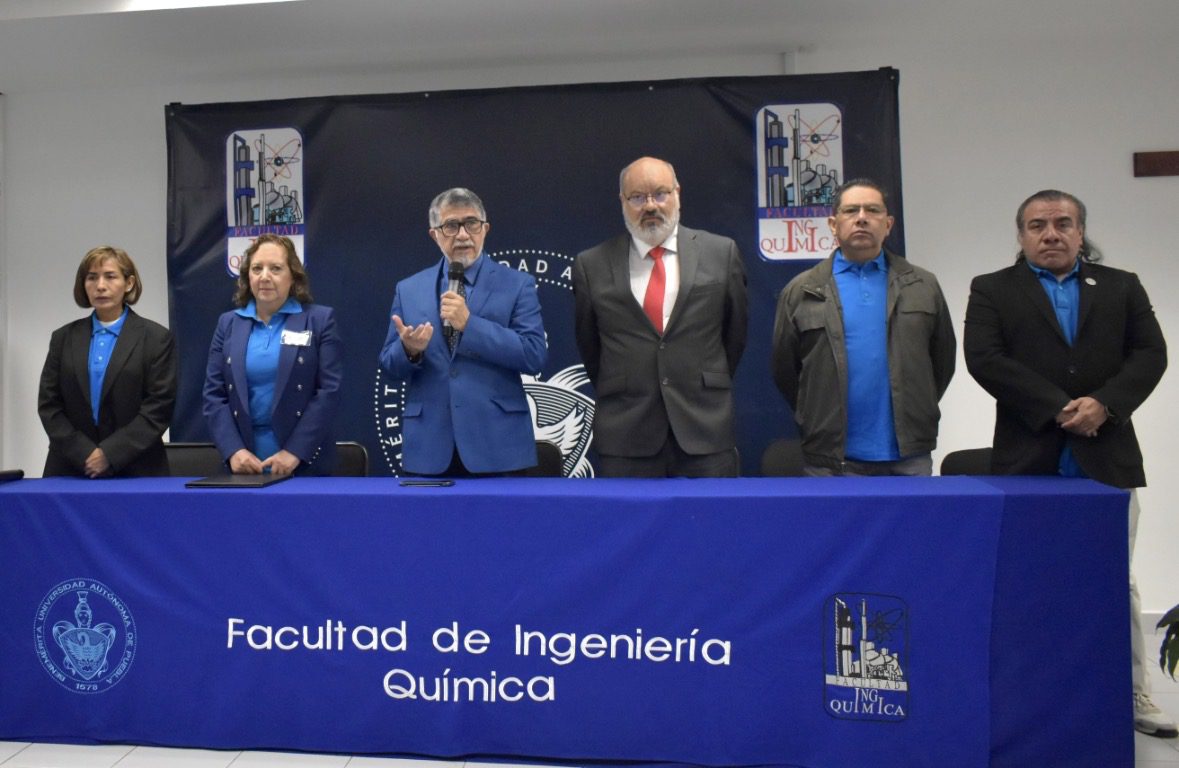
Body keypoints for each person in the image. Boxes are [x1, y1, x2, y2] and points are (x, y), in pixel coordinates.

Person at [964, 189, 1172, 738]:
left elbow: (1151, 354)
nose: (1050, 234)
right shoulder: (992, 289)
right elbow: (985, 359)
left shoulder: (1122, 286)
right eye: (1037, 225)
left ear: (1081, 233)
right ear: (1021, 235)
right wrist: (1058, 408)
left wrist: (1105, 404)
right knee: (1029, 578)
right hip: (1029, 457)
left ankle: (1133, 693)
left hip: (1107, 455)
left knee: (1116, 579)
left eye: (1063, 223)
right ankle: (1034, 694)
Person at [573, 156, 747, 477]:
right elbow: (591, 348)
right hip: (626, 435)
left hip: (705, 429)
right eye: (638, 197)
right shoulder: (591, 265)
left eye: (660, 194)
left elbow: (733, 336)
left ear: (677, 193)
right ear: (622, 201)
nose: (650, 206)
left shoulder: (721, 253)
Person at [771, 178, 955, 476]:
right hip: (830, 458)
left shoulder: (923, 285)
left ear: (888, 224)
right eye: (850, 211)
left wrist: (917, 406)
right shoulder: (803, 290)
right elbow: (785, 370)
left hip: (909, 457)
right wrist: (814, 413)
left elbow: (942, 362)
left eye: (872, 210)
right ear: (833, 224)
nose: (861, 218)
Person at [378, 187, 547, 476]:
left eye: (471, 223)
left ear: (485, 229)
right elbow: (389, 366)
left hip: (497, 446)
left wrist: (470, 325)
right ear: (434, 234)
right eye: (451, 226)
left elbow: (534, 355)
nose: (463, 235)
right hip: (429, 448)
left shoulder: (518, 284)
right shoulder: (409, 289)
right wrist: (409, 351)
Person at [203, 234, 343, 475]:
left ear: (293, 276)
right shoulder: (228, 324)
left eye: (276, 268)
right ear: (247, 276)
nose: (265, 276)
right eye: (257, 268)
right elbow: (214, 395)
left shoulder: (319, 320)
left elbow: (329, 392)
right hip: (244, 465)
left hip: (304, 463)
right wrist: (233, 450)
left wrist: (295, 452)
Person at [38, 246, 178, 477]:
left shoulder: (156, 338)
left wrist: (109, 454)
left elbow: (159, 407)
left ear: (129, 283)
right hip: (70, 466)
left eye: (110, 276)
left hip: (137, 467)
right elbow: (49, 405)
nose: (100, 285)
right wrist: (83, 453)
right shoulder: (63, 338)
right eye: (92, 278)